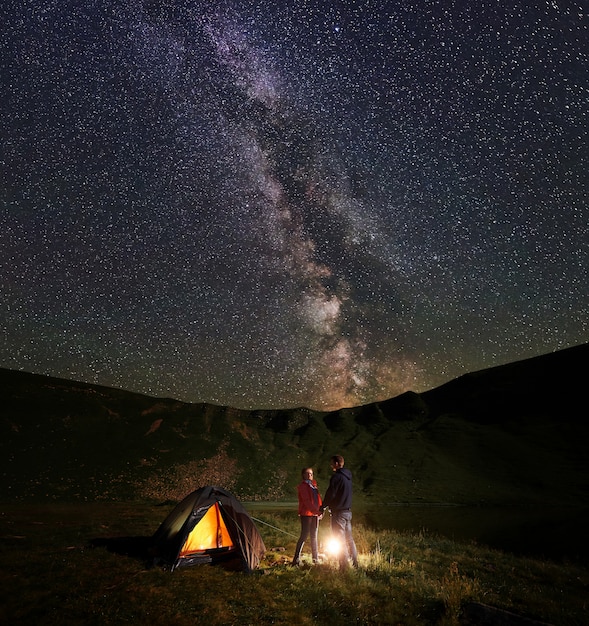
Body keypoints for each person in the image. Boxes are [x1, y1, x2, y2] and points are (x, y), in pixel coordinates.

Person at [320, 455, 358, 569]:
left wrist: (323, 506)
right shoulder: (348, 477)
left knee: (340, 539)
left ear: (337, 463)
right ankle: (355, 563)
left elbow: (331, 493)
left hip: (338, 513)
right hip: (348, 512)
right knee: (349, 538)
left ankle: (344, 567)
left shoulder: (337, 477)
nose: (331, 465)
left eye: (332, 463)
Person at [292, 467, 323, 565]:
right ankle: (296, 559)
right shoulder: (302, 486)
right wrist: (316, 511)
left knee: (314, 536)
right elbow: (306, 501)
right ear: (303, 475)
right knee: (304, 535)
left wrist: (320, 510)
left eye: (311, 473)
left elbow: (318, 499)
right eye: (308, 473)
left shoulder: (313, 485)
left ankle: (315, 559)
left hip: (314, 514)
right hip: (306, 514)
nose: (310, 475)